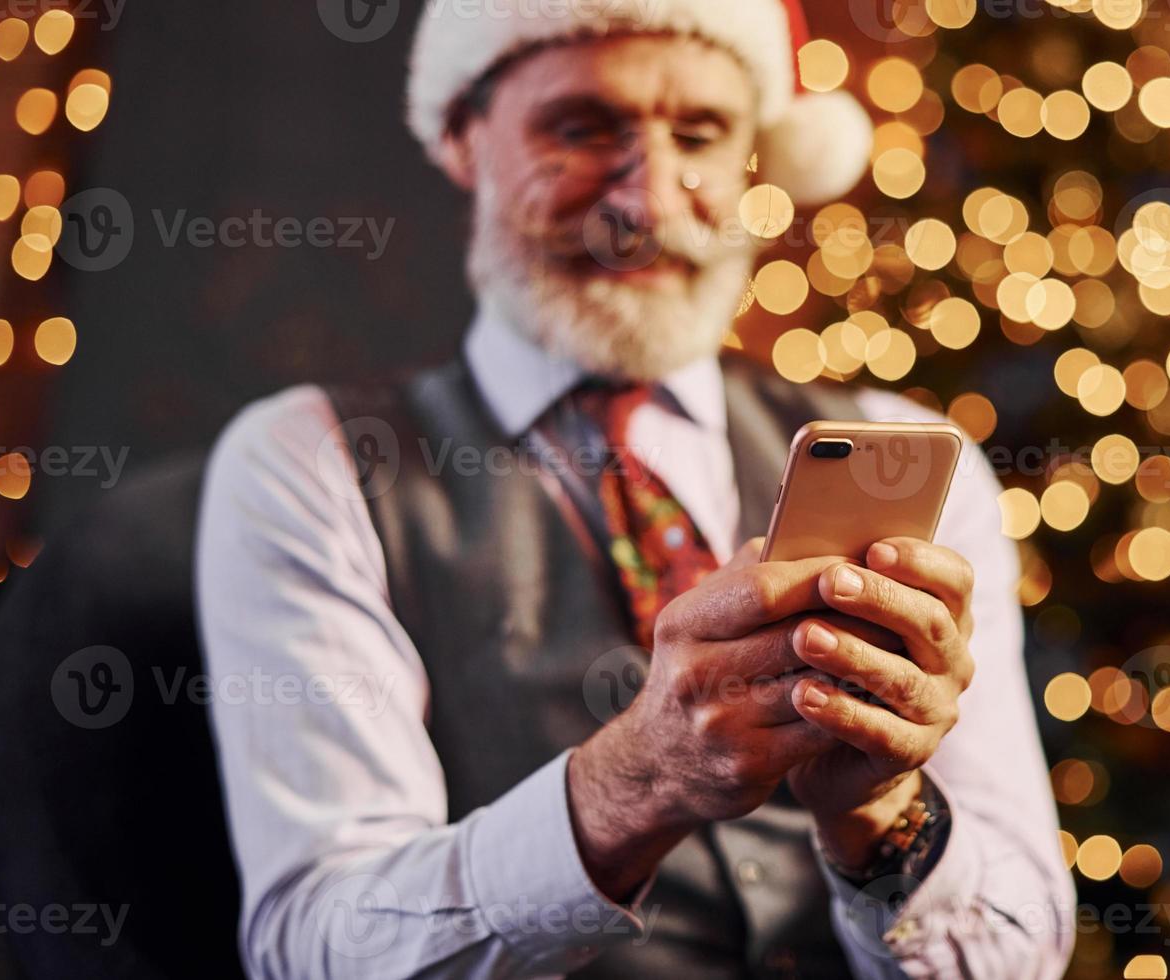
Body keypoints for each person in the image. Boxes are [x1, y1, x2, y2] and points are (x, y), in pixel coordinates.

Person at [196, 0, 1074, 976]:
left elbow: (1018, 954)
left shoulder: (911, 449)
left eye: (701, 135)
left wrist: (878, 816)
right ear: (463, 137)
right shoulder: (315, 460)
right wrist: (640, 780)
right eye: (580, 129)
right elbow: (318, 947)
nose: (649, 203)